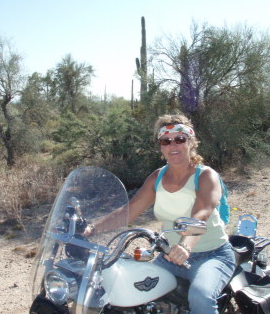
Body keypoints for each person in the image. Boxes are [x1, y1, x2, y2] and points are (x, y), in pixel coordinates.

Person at [84, 114, 235, 314]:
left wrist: (185, 246)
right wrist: (91, 229)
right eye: (166, 140)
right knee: (132, 286)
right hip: (169, 256)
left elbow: (202, 213)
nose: (173, 145)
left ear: (191, 142)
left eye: (180, 139)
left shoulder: (206, 175)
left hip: (212, 255)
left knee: (200, 296)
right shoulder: (157, 177)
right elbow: (128, 211)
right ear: (161, 147)